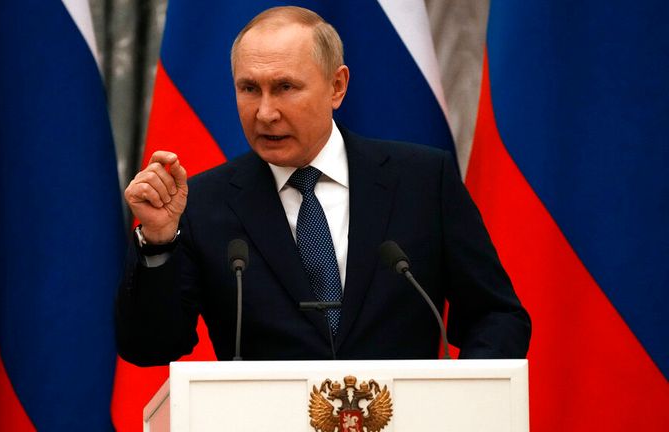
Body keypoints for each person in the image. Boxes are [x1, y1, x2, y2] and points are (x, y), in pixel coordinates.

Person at [116, 6, 530, 365]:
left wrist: (461, 396)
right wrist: (158, 241)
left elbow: (496, 316)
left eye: (285, 87)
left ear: (337, 86)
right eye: (248, 89)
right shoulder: (205, 203)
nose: (265, 112)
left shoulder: (422, 181)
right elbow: (150, 347)